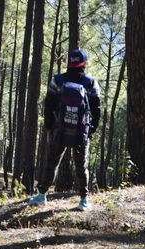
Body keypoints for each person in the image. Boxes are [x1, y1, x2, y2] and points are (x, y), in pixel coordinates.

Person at [29, 49, 101, 211]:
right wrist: (91, 130)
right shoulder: (90, 82)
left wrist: (49, 127)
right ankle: (83, 200)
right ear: (84, 63)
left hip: (59, 129)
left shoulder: (58, 80)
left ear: (69, 62)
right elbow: (97, 108)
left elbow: (48, 105)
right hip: (81, 131)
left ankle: (41, 195)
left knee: (52, 161)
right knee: (81, 165)